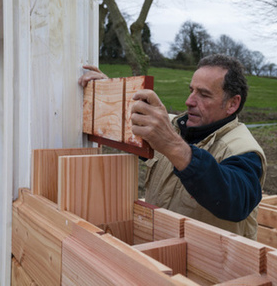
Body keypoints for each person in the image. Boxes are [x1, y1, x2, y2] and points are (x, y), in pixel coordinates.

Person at [79, 54, 267, 240]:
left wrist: (171, 144)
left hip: (208, 267)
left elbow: (235, 201)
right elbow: (120, 121)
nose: (189, 101)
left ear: (232, 104)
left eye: (204, 94)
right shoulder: (171, 127)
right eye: (191, 90)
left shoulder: (244, 150)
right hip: (158, 258)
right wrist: (109, 92)